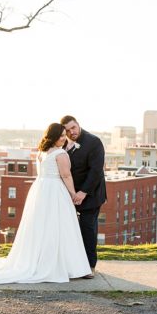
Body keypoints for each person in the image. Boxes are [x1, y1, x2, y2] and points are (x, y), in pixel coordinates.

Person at [0, 122, 91, 284]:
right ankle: (66, 266)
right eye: (61, 136)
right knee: (59, 226)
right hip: (55, 191)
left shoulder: (41, 152)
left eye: (64, 135)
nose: (64, 138)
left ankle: (44, 261)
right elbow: (66, 175)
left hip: (40, 190)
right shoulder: (61, 154)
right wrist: (73, 194)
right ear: (53, 136)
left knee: (41, 227)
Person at [60, 115, 106, 277]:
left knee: (88, 228)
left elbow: (96, 171)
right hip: (68, 195)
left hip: (91, 194)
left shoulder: (94, 142)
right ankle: (70, 264)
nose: (71, 132)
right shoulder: (62, 143)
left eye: (73, 127)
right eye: (67, 130)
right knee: (69, 229)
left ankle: (89, 266)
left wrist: (83, 192)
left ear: (78, 124)